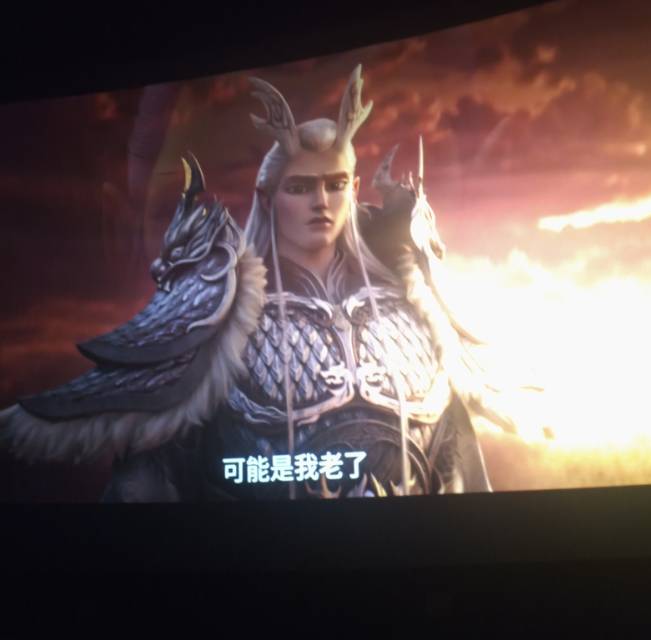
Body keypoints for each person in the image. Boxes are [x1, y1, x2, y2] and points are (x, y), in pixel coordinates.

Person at [0, 65, 512, 501]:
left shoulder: (411, 306)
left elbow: (460, 462)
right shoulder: (221, 312)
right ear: (268, 197)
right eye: (300, 187)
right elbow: (153, 472)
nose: (321, 202)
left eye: (335, 185)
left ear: (354, 188)